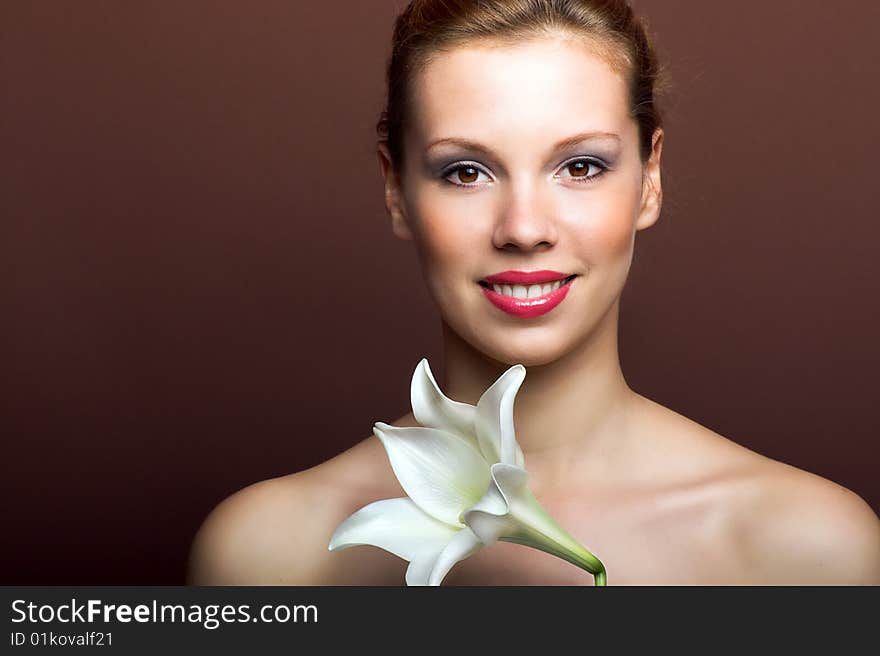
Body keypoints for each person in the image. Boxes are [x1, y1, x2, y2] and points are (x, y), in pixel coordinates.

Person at [187, 0, 880, 585]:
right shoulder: (269, 553)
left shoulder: (808, 549)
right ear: (396, 190)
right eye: (465, 172)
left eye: (580, 166)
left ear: (649, 178)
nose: (524, 229)